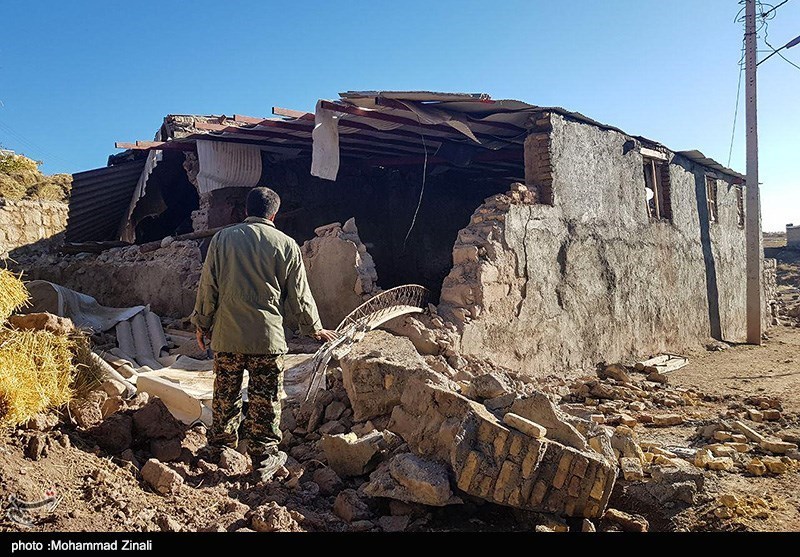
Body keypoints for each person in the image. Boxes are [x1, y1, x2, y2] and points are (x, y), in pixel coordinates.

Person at [191, 187, 338, 482]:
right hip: (267, 340)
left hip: (228, 336)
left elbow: (208, 287)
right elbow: (299, 294)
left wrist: (202, 324)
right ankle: (263, 457)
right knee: (266, 399)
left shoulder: (222, 239)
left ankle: (220, 448)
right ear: (274, 214)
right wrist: (315, 328)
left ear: (246, 211)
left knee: (225, 394)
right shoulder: (287, 245)